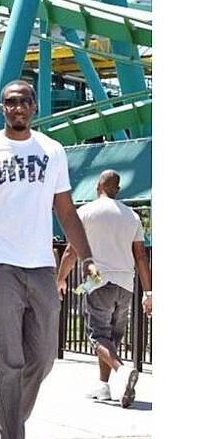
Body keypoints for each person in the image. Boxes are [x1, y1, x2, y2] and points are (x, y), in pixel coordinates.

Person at [0, 79, 98, 439]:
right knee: (9, 364)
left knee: (43, 358)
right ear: (2, 107)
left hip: (40, 265)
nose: (18, 107)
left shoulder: (52, 151)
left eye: (24, 101)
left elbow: (66, 210)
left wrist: (86, 257)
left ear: (34, 107)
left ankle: (11, 415)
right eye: (10, 102)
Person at [56, 169, 152, 408]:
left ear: (98, 186)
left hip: (97, 281)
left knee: (98, 337)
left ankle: (120, 371)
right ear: (117, 189)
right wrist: (149, 292)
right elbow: (140, 255)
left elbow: (71, 251)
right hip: (126, 284)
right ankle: (103, 385)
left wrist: (60, 279)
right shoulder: (132, 216)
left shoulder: (86, 212)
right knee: (111, 338)